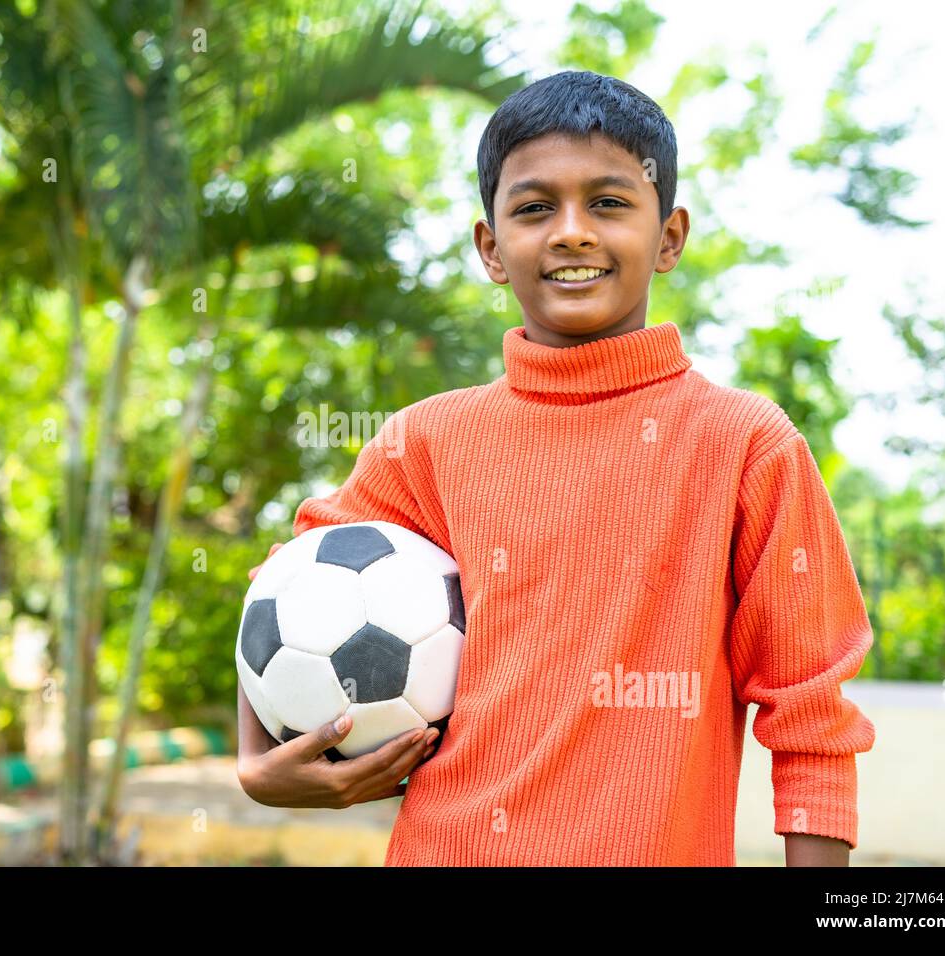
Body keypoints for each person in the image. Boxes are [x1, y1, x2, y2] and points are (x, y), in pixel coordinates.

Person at [237, 69, 876, 867]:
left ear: (670, 236)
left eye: (608, 202)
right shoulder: (427, 442)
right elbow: (284, 585)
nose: (572, 232)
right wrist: (258, 764)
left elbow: (811, 716)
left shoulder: (745, 444)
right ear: (491, 248)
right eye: (535, 208)